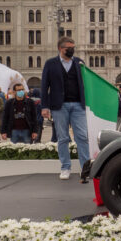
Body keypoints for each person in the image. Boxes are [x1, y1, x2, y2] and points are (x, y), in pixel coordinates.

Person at [41, 36, 90, 181]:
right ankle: (65, 167)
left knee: (82, 137)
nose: (71, 50)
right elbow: (44, 86)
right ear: (60, 48)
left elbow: (86, 84)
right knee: (62, 138)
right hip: (59, 106)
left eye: (73, 47)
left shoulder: (79, 62)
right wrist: (44, 106)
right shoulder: (51, 64)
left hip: (78, 105)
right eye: (69, 47)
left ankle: (85, 168)